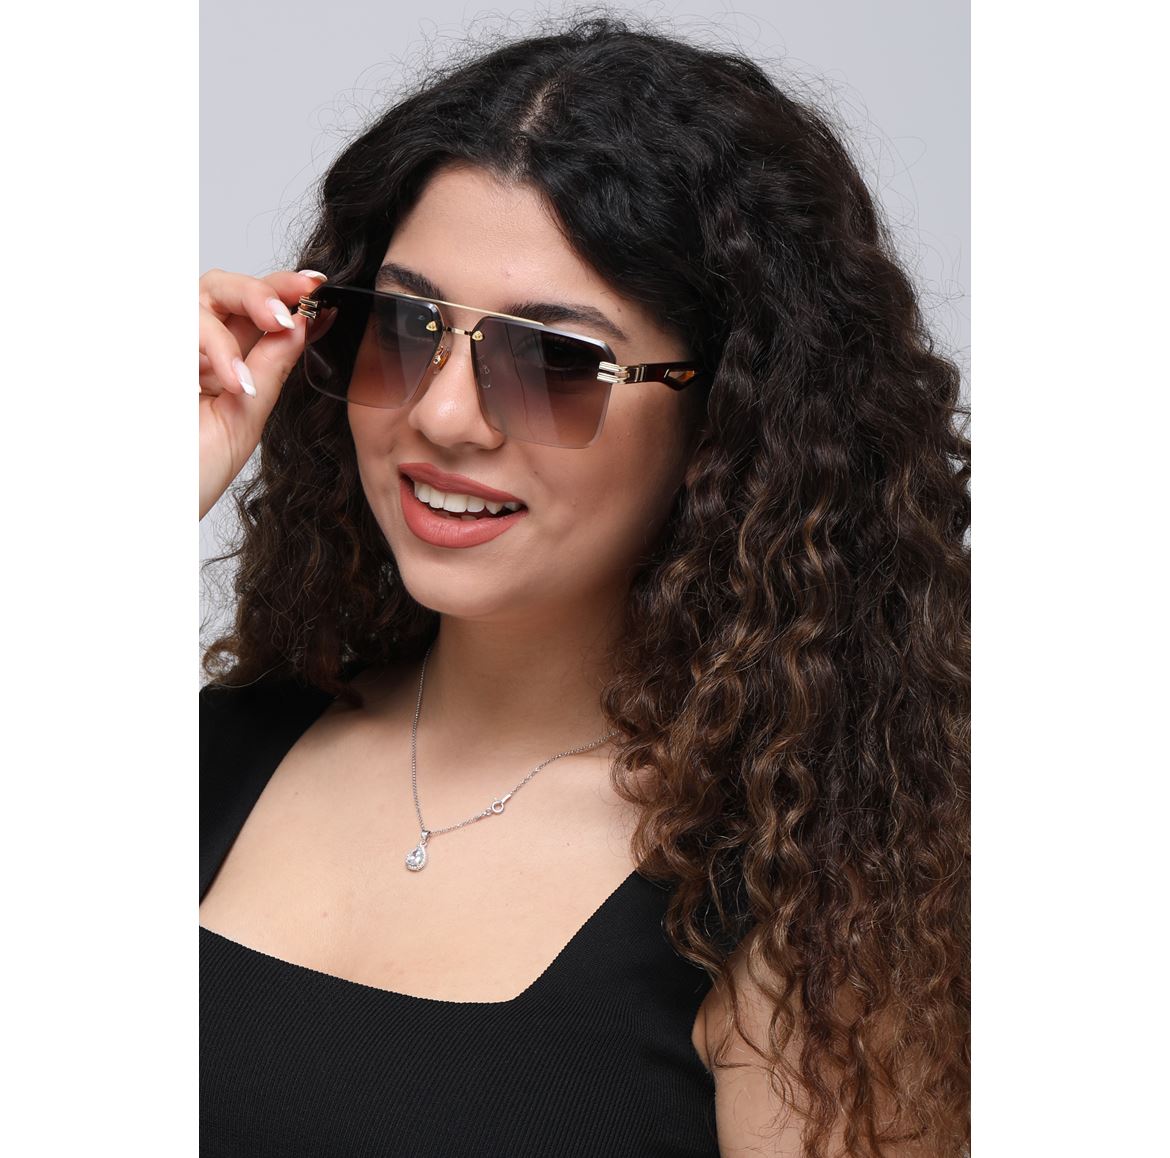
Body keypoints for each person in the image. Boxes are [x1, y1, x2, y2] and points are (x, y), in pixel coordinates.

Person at [198, 15, 969, 1157]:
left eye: (552, 362)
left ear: (733, 419)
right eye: (405, 328)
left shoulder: (813, 904)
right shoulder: (209, 750)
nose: (444, 415)